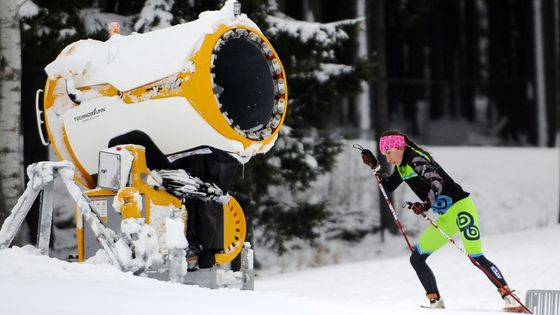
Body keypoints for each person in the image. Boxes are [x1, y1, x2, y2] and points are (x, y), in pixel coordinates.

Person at [360, 130, 525, 312]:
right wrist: (375, 167)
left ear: (399, 147)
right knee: (417, 259)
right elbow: (389, 186)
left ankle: (510, 296)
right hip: (446, 218)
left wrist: (425, 205)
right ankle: (435, 301)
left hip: (461, 209)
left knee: (476, 257)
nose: (388, 159)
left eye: (389, 153)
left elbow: (437, 182)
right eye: (384, 156)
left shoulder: (416, 159)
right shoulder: (403, 167)